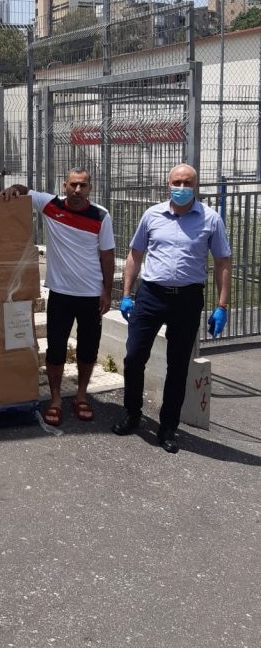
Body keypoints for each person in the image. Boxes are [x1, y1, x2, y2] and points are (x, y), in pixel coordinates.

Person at [112, 163, 232, 454]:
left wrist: (222, 305)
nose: (181, 187)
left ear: (196, 186)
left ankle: (168, 427)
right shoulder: (152, 215)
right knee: (134, 357)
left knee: (178, 366)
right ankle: (132, 413)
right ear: (168, 184)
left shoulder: (211, 219)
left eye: (187, 183)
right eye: (177, 182)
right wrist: (126, 294)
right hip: (151, 295)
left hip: (187, 299)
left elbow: (222, 262)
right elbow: (135, 254)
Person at [2, 169, 115, 426]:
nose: (77, 190)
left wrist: (107, 292)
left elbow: (107, 255)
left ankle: (81, 395)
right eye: (73, 185)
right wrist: (14, 190)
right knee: (55, 350)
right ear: (65, 186)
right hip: (60, 294)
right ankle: (55, 399)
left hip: (90, 295)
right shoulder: (50, 205)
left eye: (83, 185)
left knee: (88, 349)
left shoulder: (101, 215)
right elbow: (24, 190)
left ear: (90, 188)